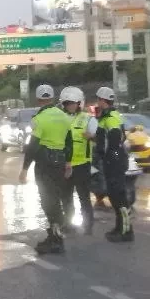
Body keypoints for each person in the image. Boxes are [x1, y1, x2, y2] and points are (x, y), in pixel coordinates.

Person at [17, 84, 73, 255]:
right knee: (55, 198)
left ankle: (56, 239)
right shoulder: (64, 116)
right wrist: (68, 162)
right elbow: (69, 141)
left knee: (48, 201)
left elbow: (33, 146)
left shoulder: (39, 119)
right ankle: (56, 235)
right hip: (60, 162)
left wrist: (24, 169)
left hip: (45, 164)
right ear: (52, 98)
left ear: (38, 99)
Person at [93, 86, 133, 242]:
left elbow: (115, 139)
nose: (97, 102)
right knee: (114, 196)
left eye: (98, 99)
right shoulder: (106, 116)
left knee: (119, 198)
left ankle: (126, 231)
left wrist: (111, 156)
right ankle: (119, 227)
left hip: (114, 162)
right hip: (111, 161)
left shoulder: (111, 117)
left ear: (103, 100)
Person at [59, 87, 96, 235]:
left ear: (80, 103)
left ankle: (88, 225)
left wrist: (92, 137)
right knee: (66, 197)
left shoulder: (89, 119)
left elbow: (99, 138)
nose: (70, 106)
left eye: (72, 103)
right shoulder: (60, 119)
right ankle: (68, 224)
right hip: (65, 165)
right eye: (67, 103)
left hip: (82, 165)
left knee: (84, 197)